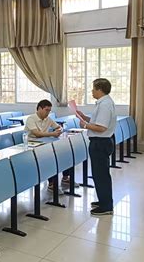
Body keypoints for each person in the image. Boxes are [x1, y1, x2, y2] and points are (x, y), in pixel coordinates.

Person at [77, 78, 116, 216]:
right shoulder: (104, 103)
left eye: (93, 89)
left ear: (100, 89)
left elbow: (101, 127)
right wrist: (85, 118)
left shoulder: (105, 105)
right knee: (100, 174)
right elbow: (97, 121)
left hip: (100, 143)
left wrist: (85, 125)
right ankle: (104, 201)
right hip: (101, 142)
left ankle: (106, 206)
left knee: (101, 175)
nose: (92, 91)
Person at [25, 100, 72, 192]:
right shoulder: (31, 118)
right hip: (32, 145)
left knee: (65, 153)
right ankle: (51, 184)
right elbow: (37, 134)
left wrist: (59, 130)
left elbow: (58, 127)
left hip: (44, 143)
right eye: (46, 110)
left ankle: (66, 177)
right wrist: (52, 134)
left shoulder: (48, 119)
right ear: (39, 108)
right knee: (51, 158)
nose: (48, 113)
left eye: (49, 111)